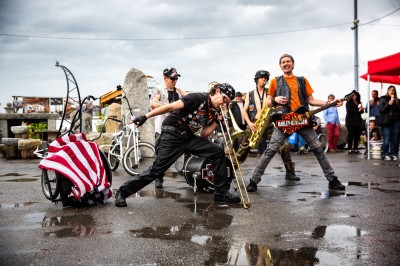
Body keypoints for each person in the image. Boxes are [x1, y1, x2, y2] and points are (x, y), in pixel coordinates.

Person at [114, 83, 241, 207]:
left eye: (227, 102)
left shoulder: (213, 112)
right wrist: (145, 116)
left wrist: (216, 122)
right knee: (156, 171)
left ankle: (220, 192)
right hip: (172, 134)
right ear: (217, 91)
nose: (224, 104)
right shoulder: (197, 98)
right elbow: (170, 107)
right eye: (224, 99)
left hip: (188, 138)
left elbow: (203, 134)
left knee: (217, 151)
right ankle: (122, 192)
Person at [246, 54, 345, 192]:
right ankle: (254, 181)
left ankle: (332, 179)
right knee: (270, 151)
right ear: (280, 66)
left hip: (302, 120)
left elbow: (311, 100)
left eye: (288, 61)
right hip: (284, 121)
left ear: (293, 64)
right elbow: (267, 103)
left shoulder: (302, 80)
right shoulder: (275, 81)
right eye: (283, 62)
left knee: (318, 149)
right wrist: (275, 100)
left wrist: (330, 103)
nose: (286, 64)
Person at [236, 70, 299, 182]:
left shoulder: (270, 93)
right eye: (262, 78)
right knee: (243, 149)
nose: (264, 80)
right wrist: (250, 123)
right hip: (255, 125)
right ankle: (230, 171)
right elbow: (244, 111)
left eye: (266, 78)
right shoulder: (250, 94)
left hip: (269, 124)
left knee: (283, 146)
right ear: (256, 79)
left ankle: (290, 172)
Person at [150, 67, 187, 188]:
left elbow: (188, 103)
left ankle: (187, 172)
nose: (175, 80)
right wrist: (170, 106)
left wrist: (184, 95)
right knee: (160, 153)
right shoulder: (159, 89)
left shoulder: (178, 91)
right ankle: (158, 177)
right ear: (165, 78)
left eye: (176, 78)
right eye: (172, 78)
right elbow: (153, 103)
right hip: (161, 127)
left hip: (176, 126)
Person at [378, 85, 400, 160]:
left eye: (393, 90)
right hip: (386, 121)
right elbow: (381, 110)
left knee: (395, 138)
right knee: (386, 138)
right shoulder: (383, 99)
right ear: (387, 91)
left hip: (396, 121)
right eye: (390, 90)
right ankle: (385, 153)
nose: (391, 91)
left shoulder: (397, 100)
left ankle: (394, 153)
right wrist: (388, 104)